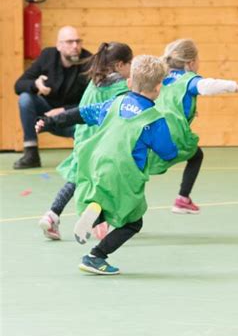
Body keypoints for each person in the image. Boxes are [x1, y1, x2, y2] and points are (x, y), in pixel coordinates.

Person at [38, 55, 179, 275]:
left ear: (130, 82)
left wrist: (51, 122)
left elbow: (82, 113)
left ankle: (98, 213)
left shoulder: (115, 102)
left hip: (97, 163)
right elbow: (169, 152)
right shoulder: (153, 120)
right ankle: (96, 256)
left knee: (109, 196)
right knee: (133, 222)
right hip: (123, 172)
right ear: (158, 88)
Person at [37, 42, 133, 240]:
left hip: (82, 138)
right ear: (119, 65)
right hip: (101, 141)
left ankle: (52, 214)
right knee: (104, 180)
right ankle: (99, 222)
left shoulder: (94, 82)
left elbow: (81, 110)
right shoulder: (121, 88)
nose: (131, 68)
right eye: (130, 63)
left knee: (76, 177)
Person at [147, 39, 238, 214]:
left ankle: (107, 209)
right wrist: (235, 86)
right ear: (190, 63)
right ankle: (182, 199)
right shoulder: (188, 79)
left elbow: (169, 101)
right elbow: (207, 86)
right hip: (173, 133)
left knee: (137, 170)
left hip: (150, 130)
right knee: (196, 156)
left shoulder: (162, 77)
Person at [13, 26, 91, 169]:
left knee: (89, 122)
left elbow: (92, 102)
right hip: (45, 115)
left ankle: (85, 156)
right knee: (25, 98)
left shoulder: (88, 63)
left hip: (73, 118)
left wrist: (64, 110)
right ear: (59, 45)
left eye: (78, 41)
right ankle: (31, 154)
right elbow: (18, 85)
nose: (75, 46)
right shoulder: (47, 56)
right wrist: (35, 84)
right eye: (69, 42)